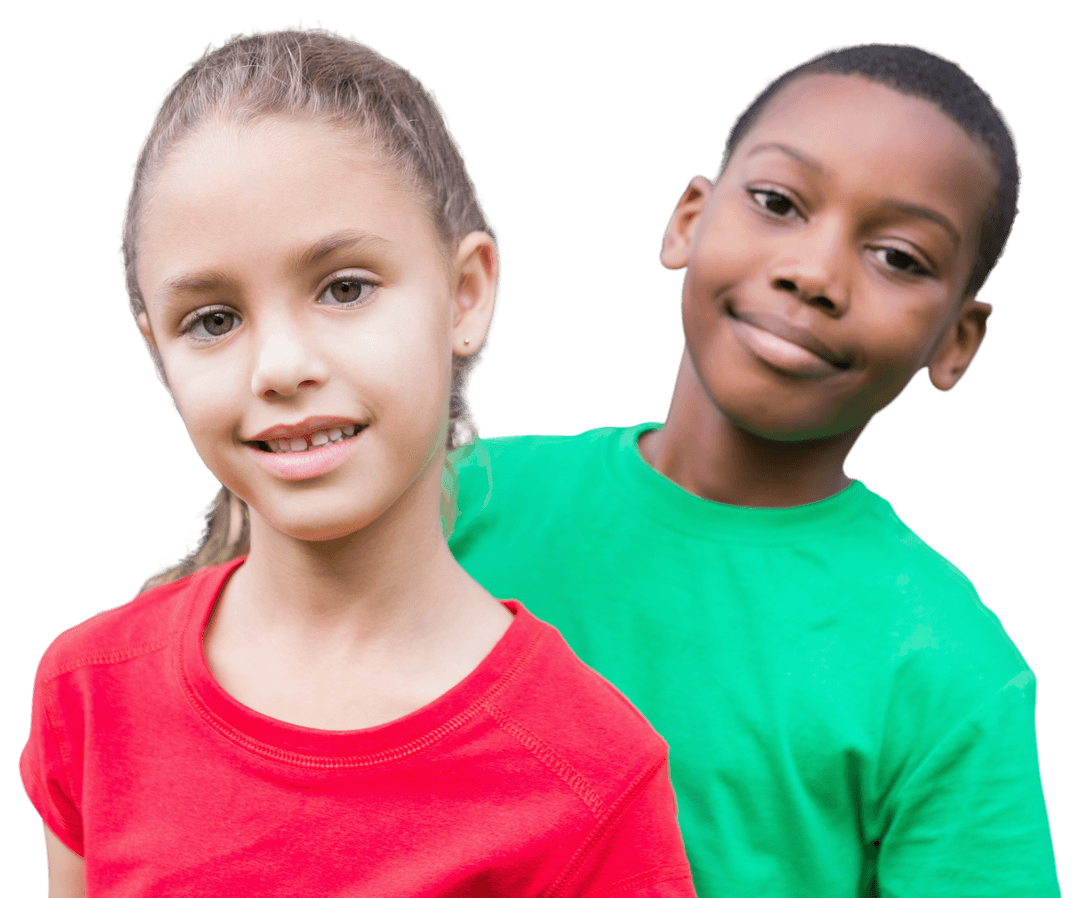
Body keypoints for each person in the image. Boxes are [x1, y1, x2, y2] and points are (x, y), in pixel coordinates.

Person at [19, 28, 695, 898]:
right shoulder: (87, 694)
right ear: (158, 356)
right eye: (214, 319)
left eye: (345, 288)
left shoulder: (591, 773)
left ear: (466, 294)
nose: (279, 366)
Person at [446, 44, 1062, 896]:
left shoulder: (947, 672)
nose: (814, 274)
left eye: (900, 258)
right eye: (777, 203)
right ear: (688, 220)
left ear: (956, 340)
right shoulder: (457, 506)